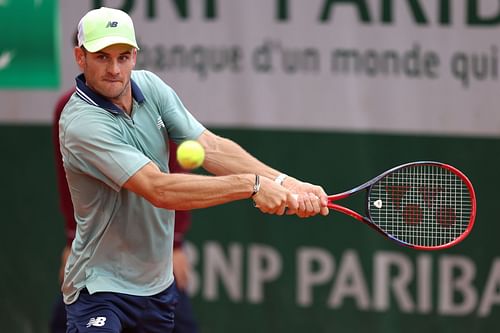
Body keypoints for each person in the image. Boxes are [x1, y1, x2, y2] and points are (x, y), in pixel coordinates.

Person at [60, 7, 329, 333]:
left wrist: (287, 183)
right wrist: (253, 185)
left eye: (123, 57)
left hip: (157, 289)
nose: (114, 69)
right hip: (100, 289)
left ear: (135, 56)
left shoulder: (151, 87)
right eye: (102, 57)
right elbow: (158, 189)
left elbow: (210, 147)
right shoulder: (82, 124)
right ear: (80, 57)